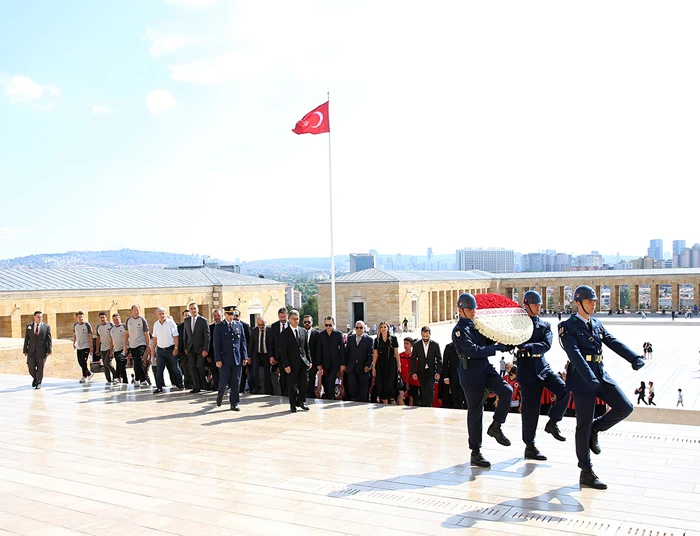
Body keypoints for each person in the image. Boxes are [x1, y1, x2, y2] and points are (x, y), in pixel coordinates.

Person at [559, 285, 644, 490]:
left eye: (595, 300)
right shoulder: (567, 326)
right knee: (582, 425)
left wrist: (634, 358)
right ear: (578, 303)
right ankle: (586, 471)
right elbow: (574, 354)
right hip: (582, 378)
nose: (594, 303)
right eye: (590, 301)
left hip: (600, 373)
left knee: (624, 407)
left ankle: (596, 429)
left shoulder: (596, 323)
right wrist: (589, 377)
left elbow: (612, 342)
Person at [452, 293, 513, 468]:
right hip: (470, 372)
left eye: (473, 308)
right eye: (469, 309)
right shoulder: (459, 331)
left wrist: (506, 341)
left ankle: (496, 426)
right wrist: (495, 347)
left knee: (507, 391)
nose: (472, 311)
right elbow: (474, 351)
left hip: (485, 368)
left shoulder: (477, 326)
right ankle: (475, 451)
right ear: (460, 310)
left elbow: (488, 339)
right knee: (475, 411)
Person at [516, 291, 570, 461]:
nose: (538, 307)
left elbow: (546, 344)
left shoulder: (545, 325)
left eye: (539, 304)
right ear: (526, 305)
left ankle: (553, 422)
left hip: (542, 367)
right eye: (535, 304)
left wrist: (528, 346)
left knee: (565, 391)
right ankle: (529, 446)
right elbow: (514, 341)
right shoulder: (518, 325)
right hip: (526, 371)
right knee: (530, 411)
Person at [214, 306, 248, 411]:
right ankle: (220, 396)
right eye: (229, 315)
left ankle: (234, 403)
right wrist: (218, 359)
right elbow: (217, 344)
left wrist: (245, 356)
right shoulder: (219, 327)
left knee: (236, 382)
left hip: (237, 358)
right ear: (225, 315)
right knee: (224, 381)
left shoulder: (239, 325)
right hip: (225, 359)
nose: (231, 317)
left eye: (233, 315)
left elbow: (242, 342)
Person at [279, 309, 312, 412]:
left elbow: (306, 348)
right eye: (294, 319)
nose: (296, 321)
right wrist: (286, 364)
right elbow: (283, 351)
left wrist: (309, 361)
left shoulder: (302, 331)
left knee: (304, 383)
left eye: (297, 319)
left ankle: (301, 402)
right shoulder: (285, 333)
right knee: (292, 385)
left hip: (303, 362)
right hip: (291, 363)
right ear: (289, 319)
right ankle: (293, 405)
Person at [151, 307, 183, 393]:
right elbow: (155, 338)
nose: (162, 315)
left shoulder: (171, 323)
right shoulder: (156, 324)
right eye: (160, 314)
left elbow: (176, 336)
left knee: (175, 367)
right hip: (160, 350)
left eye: (163, 313)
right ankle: (159, 387)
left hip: (171, 349)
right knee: (159, 369)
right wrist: (153, 350)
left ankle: (180, 384)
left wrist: (176, 348)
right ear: (157, 315)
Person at [343, 321, 374, 402]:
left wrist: (368, 365)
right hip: (351, 366)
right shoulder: (350, 338)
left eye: (361, 327)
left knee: (363, 387)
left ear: (364, 328)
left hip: (363, 367)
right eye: (357, 327)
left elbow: (371, 354)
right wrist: (345, 364)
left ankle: (363, 402)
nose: (359, 329)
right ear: (354, 328)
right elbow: (347, 352)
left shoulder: (369, 339)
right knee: (352, 385)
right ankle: (353, 400)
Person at [411, 326, 442, 407]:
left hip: (431, 371)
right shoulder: (417, 345)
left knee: (429, 388)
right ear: (421, 334)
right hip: (421, 371)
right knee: (423, 389)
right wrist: (414, 372)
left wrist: (438, 372)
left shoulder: (435, 345)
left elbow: (439, 359)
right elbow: (413, 359)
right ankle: (424, 406)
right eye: (423, 336)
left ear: (430, 335)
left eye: (427, 336)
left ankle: (428, 406)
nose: (425, 338)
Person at [183, 302, 210, 393]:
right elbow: (185, 335)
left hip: (201, 348)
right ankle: (196, 386)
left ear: (197, 309)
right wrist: (185, 347)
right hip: (191, 348)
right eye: (191, 309)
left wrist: (206, 349)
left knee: (200, 366)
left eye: (194, 308)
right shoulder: (187, 321)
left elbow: (207, 336)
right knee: (192, 367)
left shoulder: (203, 320)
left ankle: (204, 382)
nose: (193, 310)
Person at [316, 316, 345, 400]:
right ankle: (328, 395)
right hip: (325, 362)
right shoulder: (321, 335)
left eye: (330, 325)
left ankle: (330, 397)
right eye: (326, 325)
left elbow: (342, 349)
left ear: (333, 324)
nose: (328, 327)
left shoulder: (339, 334)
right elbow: (319, 350)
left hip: (335, 362)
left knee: (331, 379)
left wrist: (342, 364)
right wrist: (319, 363)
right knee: (325, 380)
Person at [372, 322, 401, 404]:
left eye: (385, 327)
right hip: (381, 363)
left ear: (388, 328)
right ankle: (384, 401)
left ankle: (392, 400)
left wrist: (399, 364)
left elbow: (396, 353)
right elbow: (375, 354)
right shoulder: (377, 340)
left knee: (390, 382)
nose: (383, 329)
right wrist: (373, 366)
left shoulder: (393, 339)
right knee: (381, 382)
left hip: (391, 363)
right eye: (381, 327)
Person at [124, 304, 151, 387]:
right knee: (137, 362)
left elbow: (146, 334)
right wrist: (125, 345)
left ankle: (137, 379)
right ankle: (143, 379)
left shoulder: (142, 320)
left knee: (138, 361)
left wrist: (148, 345)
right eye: (135, 310)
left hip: (141, 343)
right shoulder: (128, 320)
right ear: (131, 311)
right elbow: (126, 333)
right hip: (132, 345)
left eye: (138, 310)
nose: (136, 312)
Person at [23, 310, 52, 389]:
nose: (40, 318)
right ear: (34, 317)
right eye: (38, 317)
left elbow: (49, 340)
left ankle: (38, 382)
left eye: (41, 317)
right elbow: (26, 339)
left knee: (40, 367)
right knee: (30, 367)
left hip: (42, 351)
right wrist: (25, 350)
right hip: (31, 351)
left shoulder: (46, 327)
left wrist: (49, 350)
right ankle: (36, 378)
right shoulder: (29, 326)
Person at [266, 307, 289, 396]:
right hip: (278, 356)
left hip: (289, 355)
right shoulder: (274, 326)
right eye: (281, 317)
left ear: (287, 315)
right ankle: (283, 394)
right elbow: (271, 342)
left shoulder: (291, 325)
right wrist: (271, 356)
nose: (282, 319)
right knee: (282, 377)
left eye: (284, 317)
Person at [95, 312, 118, 385]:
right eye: (101, 317)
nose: (102, 319)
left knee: (107, 362)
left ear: (106, 318)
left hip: (110, 348)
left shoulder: (110, 325)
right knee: (105, 366)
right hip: (103, 348)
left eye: (103, 317)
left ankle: (116, 375)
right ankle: (108, 380)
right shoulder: (98, 327)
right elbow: (98, 338)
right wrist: (97, 349)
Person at [232, 309, 252, 393]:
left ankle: (241, 389)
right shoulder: (230, 325)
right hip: (233, 354)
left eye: (237, 316)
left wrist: (247, 355)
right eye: (234, 315)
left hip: (242, 354)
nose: (235, 317)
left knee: (243, 373)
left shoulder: (245, 326)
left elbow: (248, 341)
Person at [440, 342, 463, 410]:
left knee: (466, 398)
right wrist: (446, 377)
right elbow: (445, 362)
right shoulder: (449, 346)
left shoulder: (467, 345)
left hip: (466, 376)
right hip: (453, 376)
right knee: (455, 397)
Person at [302, 315, 320, 399]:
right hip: (302, 362)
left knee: (312, 379)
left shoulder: (317, 334)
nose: (307, 323)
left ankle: (310, 396)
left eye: (308, 322)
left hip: (313, 361)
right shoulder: (299, 332)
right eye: (305, 322)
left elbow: (319, 349)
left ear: (312, 322)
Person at [73, 311, 94, 383]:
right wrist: (74, 342)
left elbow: (90, 335)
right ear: (76, 318)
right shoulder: (75, 325)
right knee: (80, 362)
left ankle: (86, 375)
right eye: (79, 317)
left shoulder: (87, 325)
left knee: (83, 361)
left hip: (86, 346)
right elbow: (75, 334)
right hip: (79, 346)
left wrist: (91, 346)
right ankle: (87, 374)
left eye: (82, 317)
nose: (81, 318)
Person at [248, 316, 267, 394]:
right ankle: (257, 386)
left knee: (266, 371)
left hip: (266, 354)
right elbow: (251, 344)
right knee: (255, 370)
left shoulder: (269, 330)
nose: (261, 326)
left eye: (262, 325)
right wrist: (249, 356)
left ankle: (267, 388)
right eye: (259, 325)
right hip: (257, 354)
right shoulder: (254, 331)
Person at [399, 337, 420, 406]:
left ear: (411, 345)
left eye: (407, 343)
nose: (405, 345)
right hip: (402, 381)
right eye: (404, 343)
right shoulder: (400, 355)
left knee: (412, 399)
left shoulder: (414, 357)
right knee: (400, 397)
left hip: (411, 381)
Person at [207, 309, 224, 391]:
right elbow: (209, 342)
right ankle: (217, 387)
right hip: (213, 354)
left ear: (222, 316)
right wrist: (209, 355)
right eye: (215, 316)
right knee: (215, 371)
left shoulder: (225, 326)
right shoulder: (210, 328)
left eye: (218, 315)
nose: (217, 317)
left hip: (224, 354)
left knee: (223, 372)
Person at [109, 313, 128, 384]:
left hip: (124, 348)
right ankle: (125, 381)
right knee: (121, 365)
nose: (116, 321)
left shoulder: (124, 327)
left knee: (120, 361)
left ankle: (116, 376)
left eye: (117, 319)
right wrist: (111, 352)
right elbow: (111, 342)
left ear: (120, 319)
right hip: (116, 350)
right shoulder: (112, 329)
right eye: (114, 320)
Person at [178, 310, 192, 389]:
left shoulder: (193, 325)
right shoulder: (180, 327)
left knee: (192, 367)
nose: (187, 317)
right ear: (183, 317)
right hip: (183, 351)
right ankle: (187, 383)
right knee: (185, 367)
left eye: (189, 315)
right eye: (186, 315)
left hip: (192, 350)